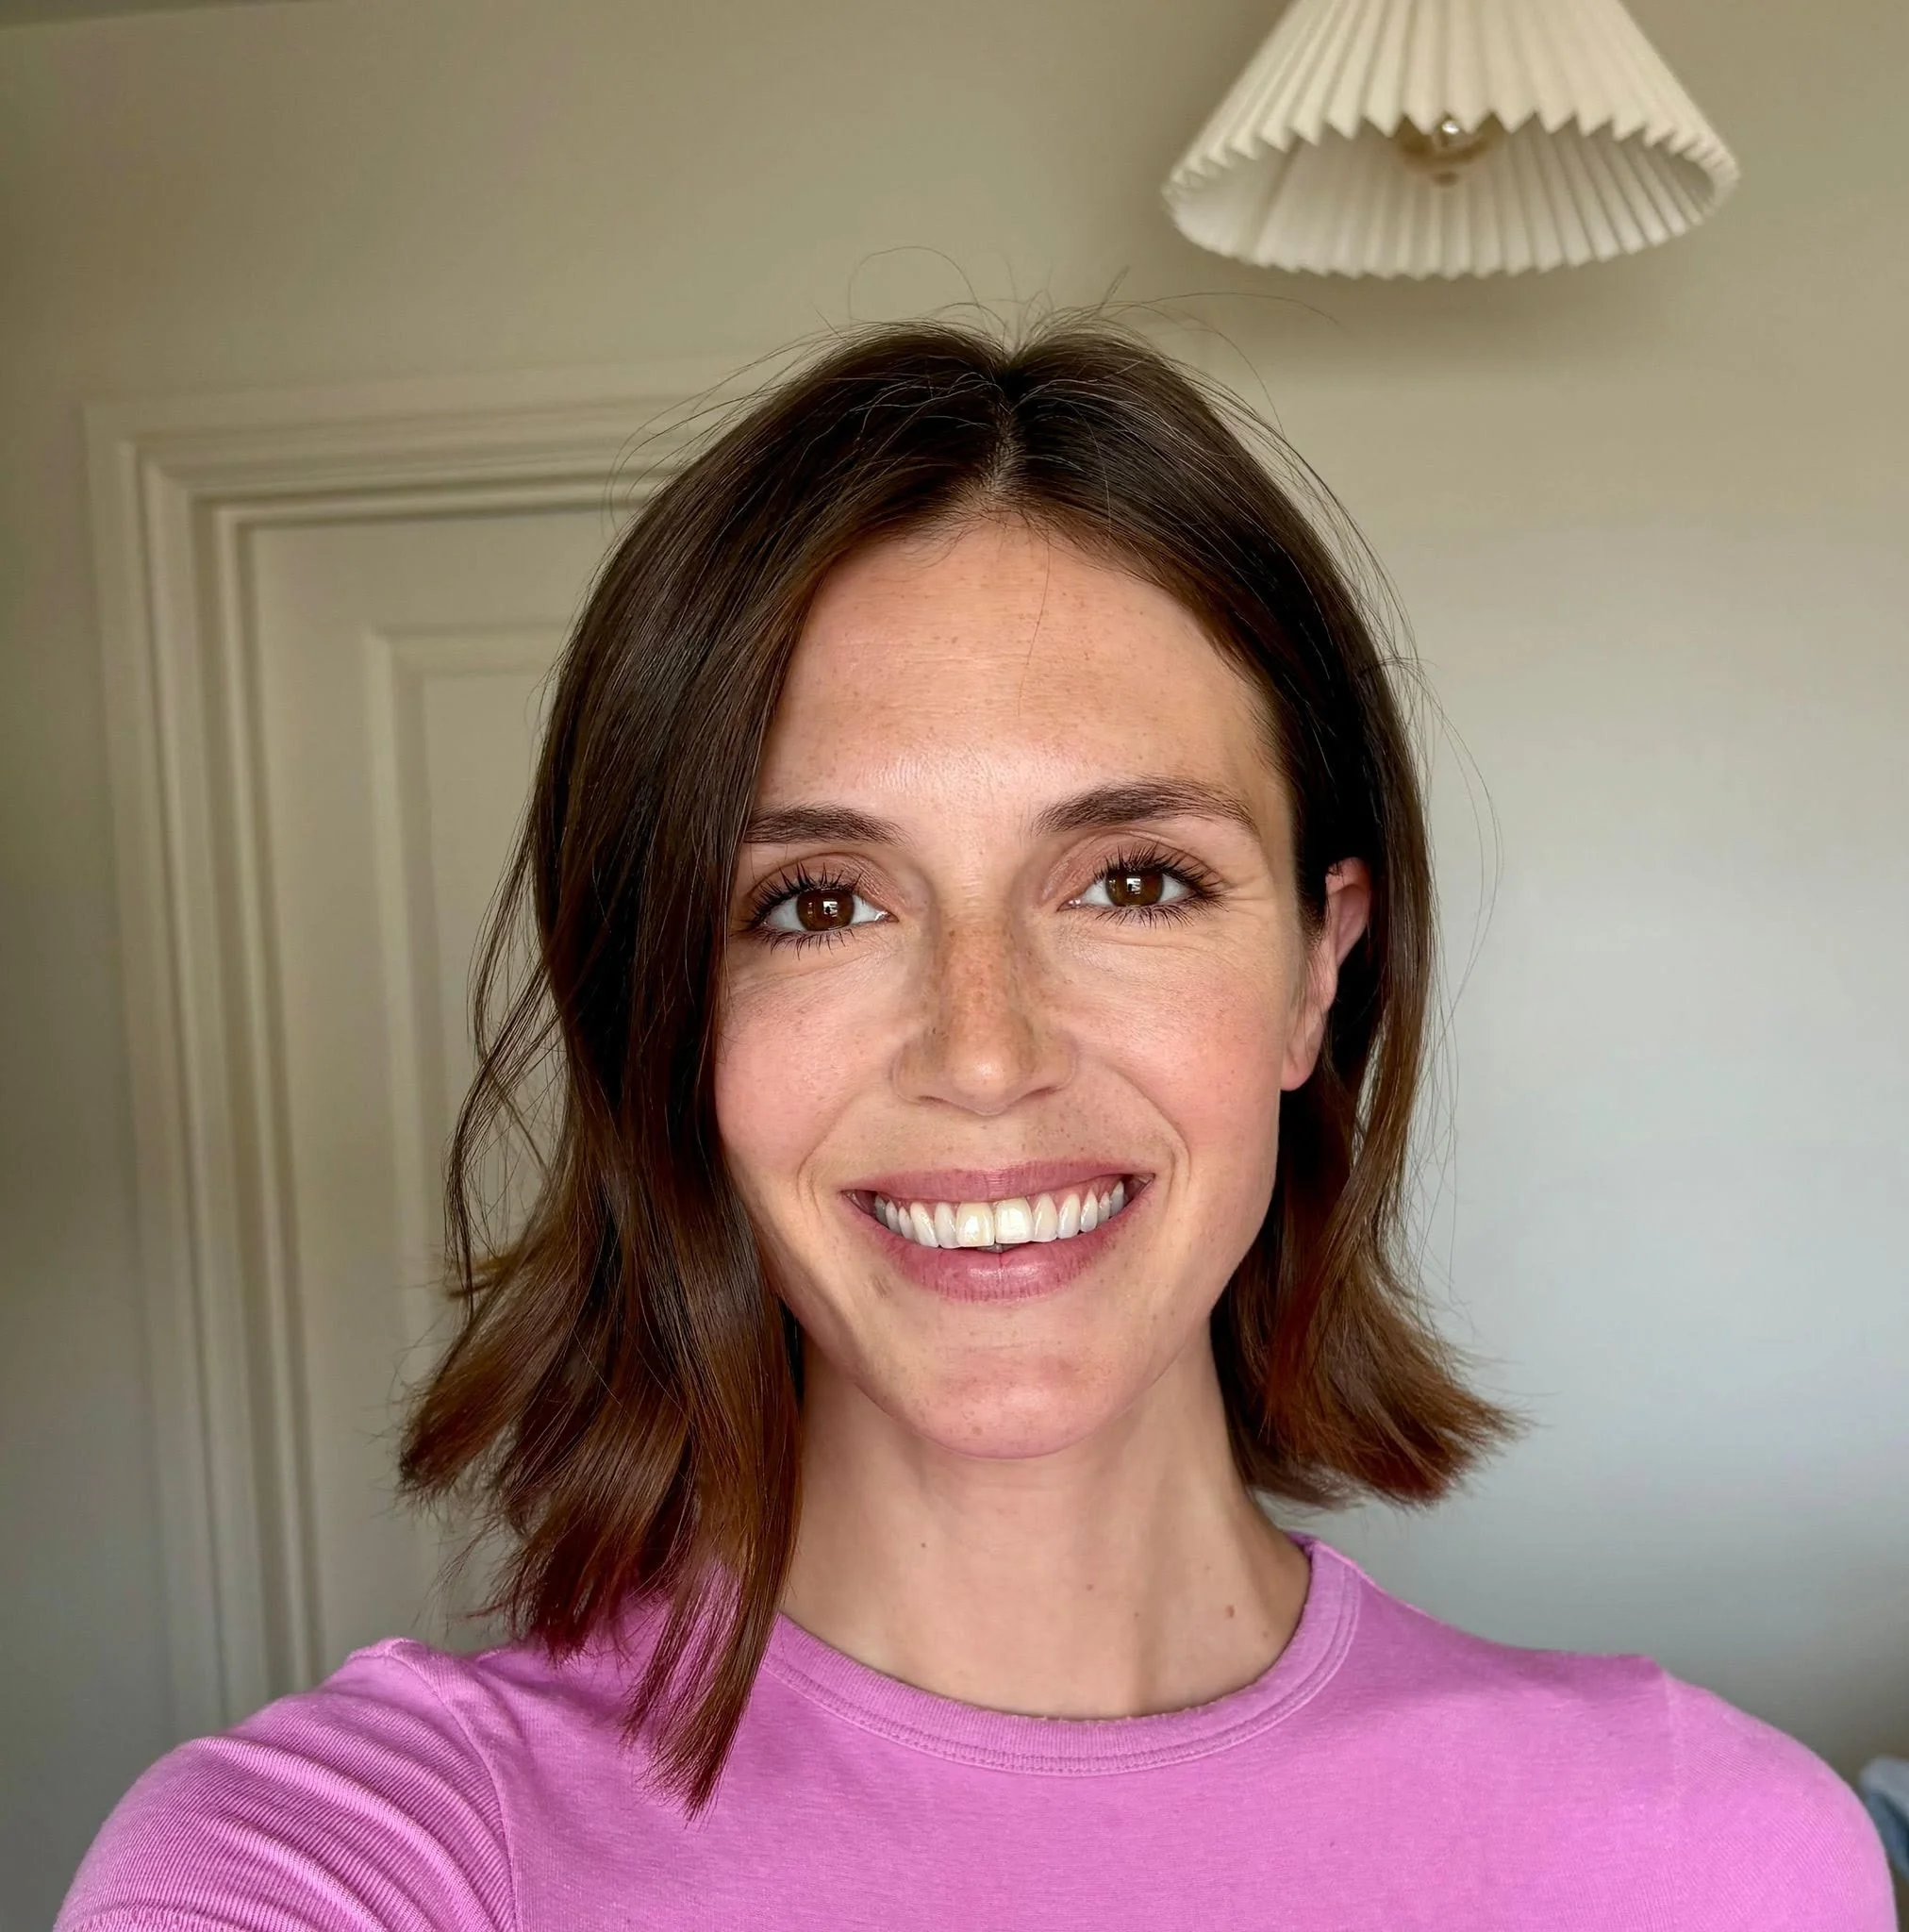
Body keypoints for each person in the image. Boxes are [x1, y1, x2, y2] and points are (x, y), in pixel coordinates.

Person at [57, 318, 1892, 1929]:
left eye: (1137, 879)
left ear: (1317, 967)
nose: (985, 1050)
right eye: (815, 904)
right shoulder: (345, 1866)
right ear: (670, 1021)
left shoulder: (1711, 1850)